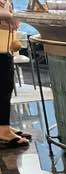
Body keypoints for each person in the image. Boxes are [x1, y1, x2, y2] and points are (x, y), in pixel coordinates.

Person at [0, 0, 29, 148]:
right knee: (3, 87)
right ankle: (3, 130)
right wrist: (8, 15)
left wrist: (12, 16)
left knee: (6, 86)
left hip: (6, 45)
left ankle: (3, 125)